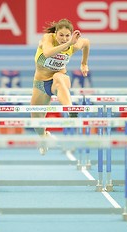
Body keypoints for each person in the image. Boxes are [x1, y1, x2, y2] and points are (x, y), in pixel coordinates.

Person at [30, 19, 90, 155]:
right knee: (36, 122)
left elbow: (86, 43)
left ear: (71, 35)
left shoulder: (73, 45)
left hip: (60, 81)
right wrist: (69, 43)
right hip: (40, 83)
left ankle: (70, 110)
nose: (64, 38)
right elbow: (47, 53)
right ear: (55, 33)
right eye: (61, 35)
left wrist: (84, 63)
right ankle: (44, 137)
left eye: (67, 35)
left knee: (57, 77)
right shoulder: (47, 39)